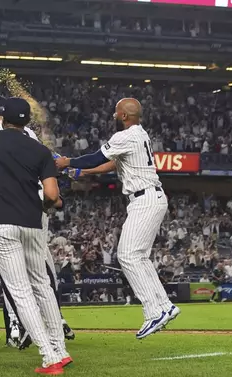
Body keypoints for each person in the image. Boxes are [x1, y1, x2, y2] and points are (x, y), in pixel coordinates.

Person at [0, 97, 71, 375]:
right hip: (32, 224)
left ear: (3, 118)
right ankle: (61, 350)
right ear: (26, 121)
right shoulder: (40, 150)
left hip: (1, 224)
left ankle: (49, 357)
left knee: (21, 291)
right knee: (42, 285)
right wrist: (41, 207)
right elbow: (51, 195)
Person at [56, 97, 180, 339]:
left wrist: (67, 161)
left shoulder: (124, 136)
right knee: (139, 257)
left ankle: (153, 311)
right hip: (150, 198)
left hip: (144, 199)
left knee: (127, 255)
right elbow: (113, 164)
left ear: (124, 115)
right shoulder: (139, 134)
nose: (113, 115)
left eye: (116, 112)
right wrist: (82, 172)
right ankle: (165, 306)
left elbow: (97, 157)